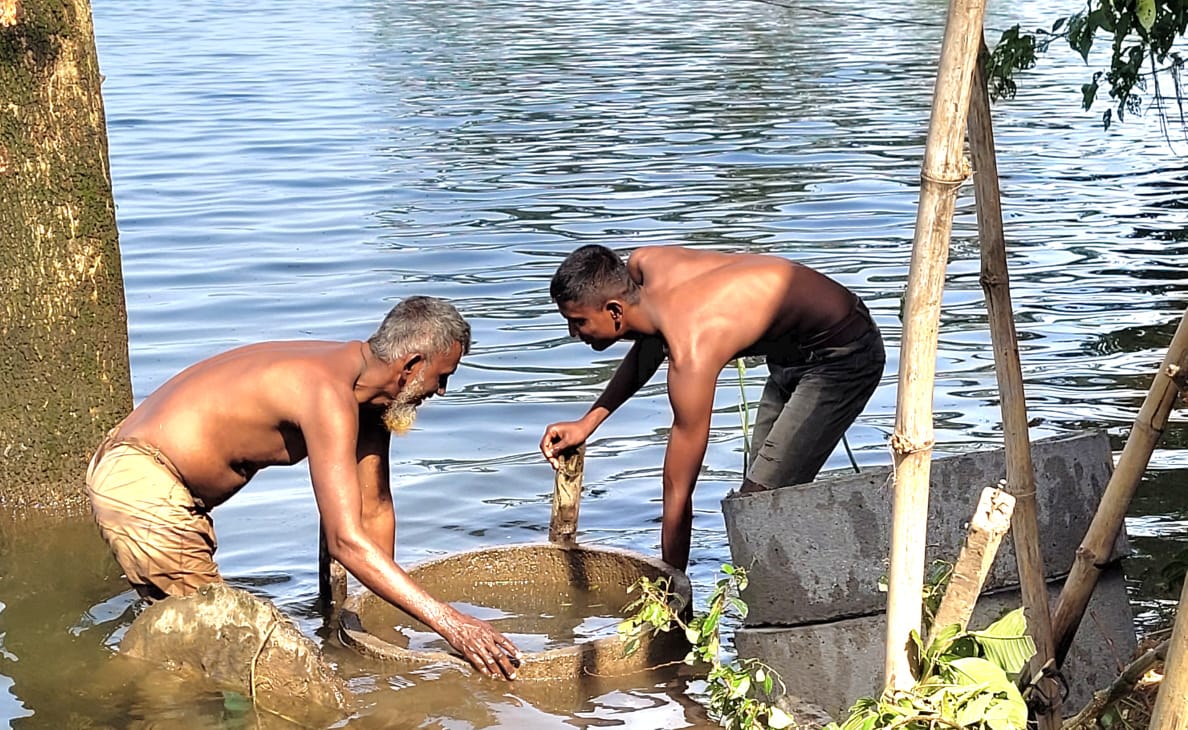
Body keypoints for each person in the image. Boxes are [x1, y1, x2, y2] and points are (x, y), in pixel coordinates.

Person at [86, 296, 522, 680]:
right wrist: (451, 624)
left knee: (194, 640)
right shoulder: (327, 393)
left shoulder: (370, 398)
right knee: (223, 642)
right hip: (142, 480)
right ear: (409, 368)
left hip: (156, 480)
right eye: (441, 377)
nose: (442, 391)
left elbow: (373, 511)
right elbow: (345, 541)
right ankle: (94, 691)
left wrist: (382, 629)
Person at [539, 245, 885, 572]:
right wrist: (589, 422)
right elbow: (650, 343)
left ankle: (834, 575)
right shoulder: (645, 266)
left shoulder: (693, 348)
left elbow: (678, 492)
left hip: (843, 354)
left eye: (579, 321)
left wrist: (671, 589)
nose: (573, 333)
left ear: (614, 310)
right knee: (765, 499)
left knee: (761, 502)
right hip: (790, 352)